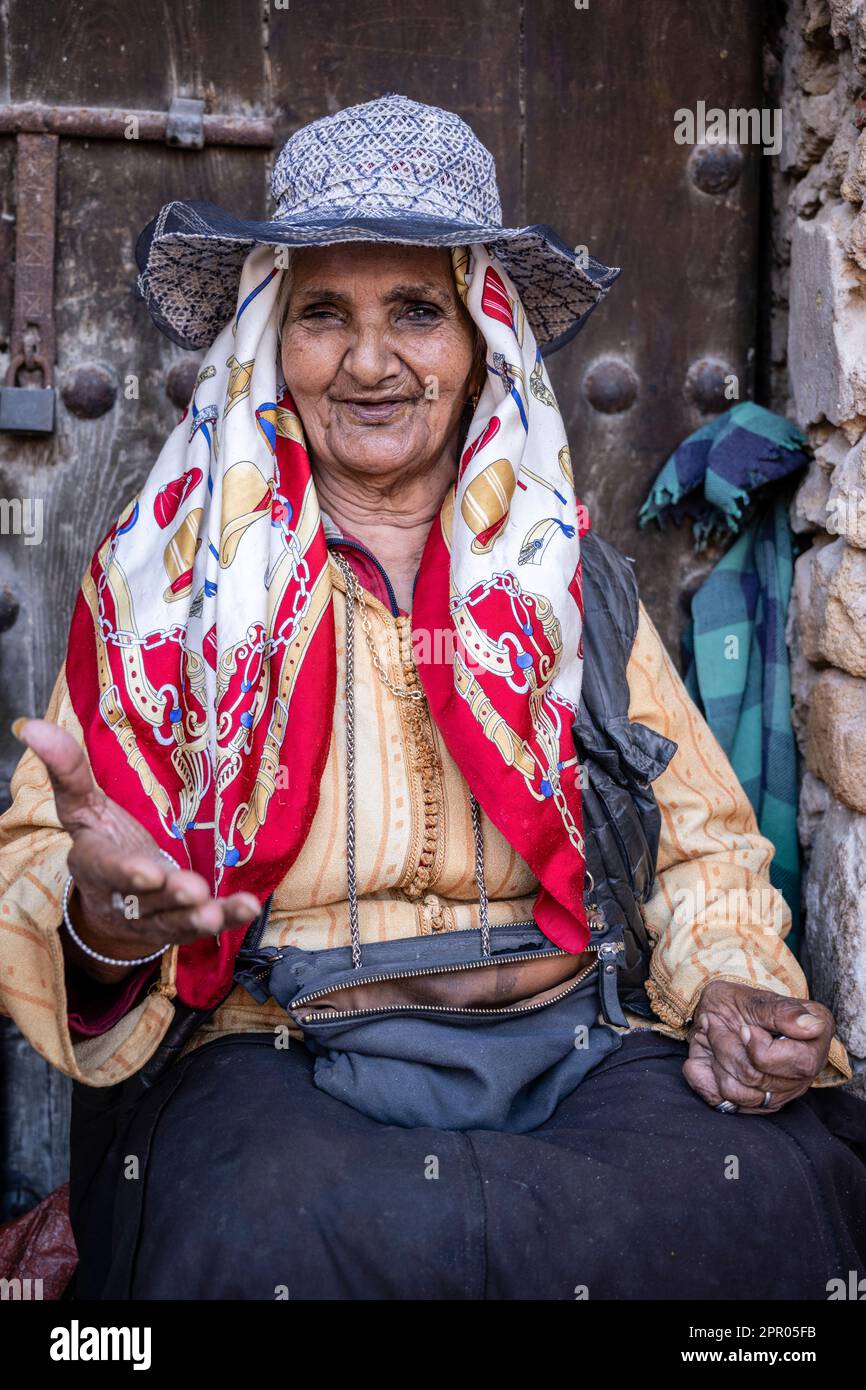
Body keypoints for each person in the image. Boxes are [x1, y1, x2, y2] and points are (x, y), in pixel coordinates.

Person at [1, 93, 864, 1301]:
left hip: (578, 1033)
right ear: (269, 343)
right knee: (252, 1236)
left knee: (758, 1199)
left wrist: (729, 983)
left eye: (415, 310)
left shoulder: (568, 584)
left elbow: (700, 845)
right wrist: (108, 920)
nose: (367, 362)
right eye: (322, 316)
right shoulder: (169, 593)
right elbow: (55, 866)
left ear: (478, 343)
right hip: (281, 1047)